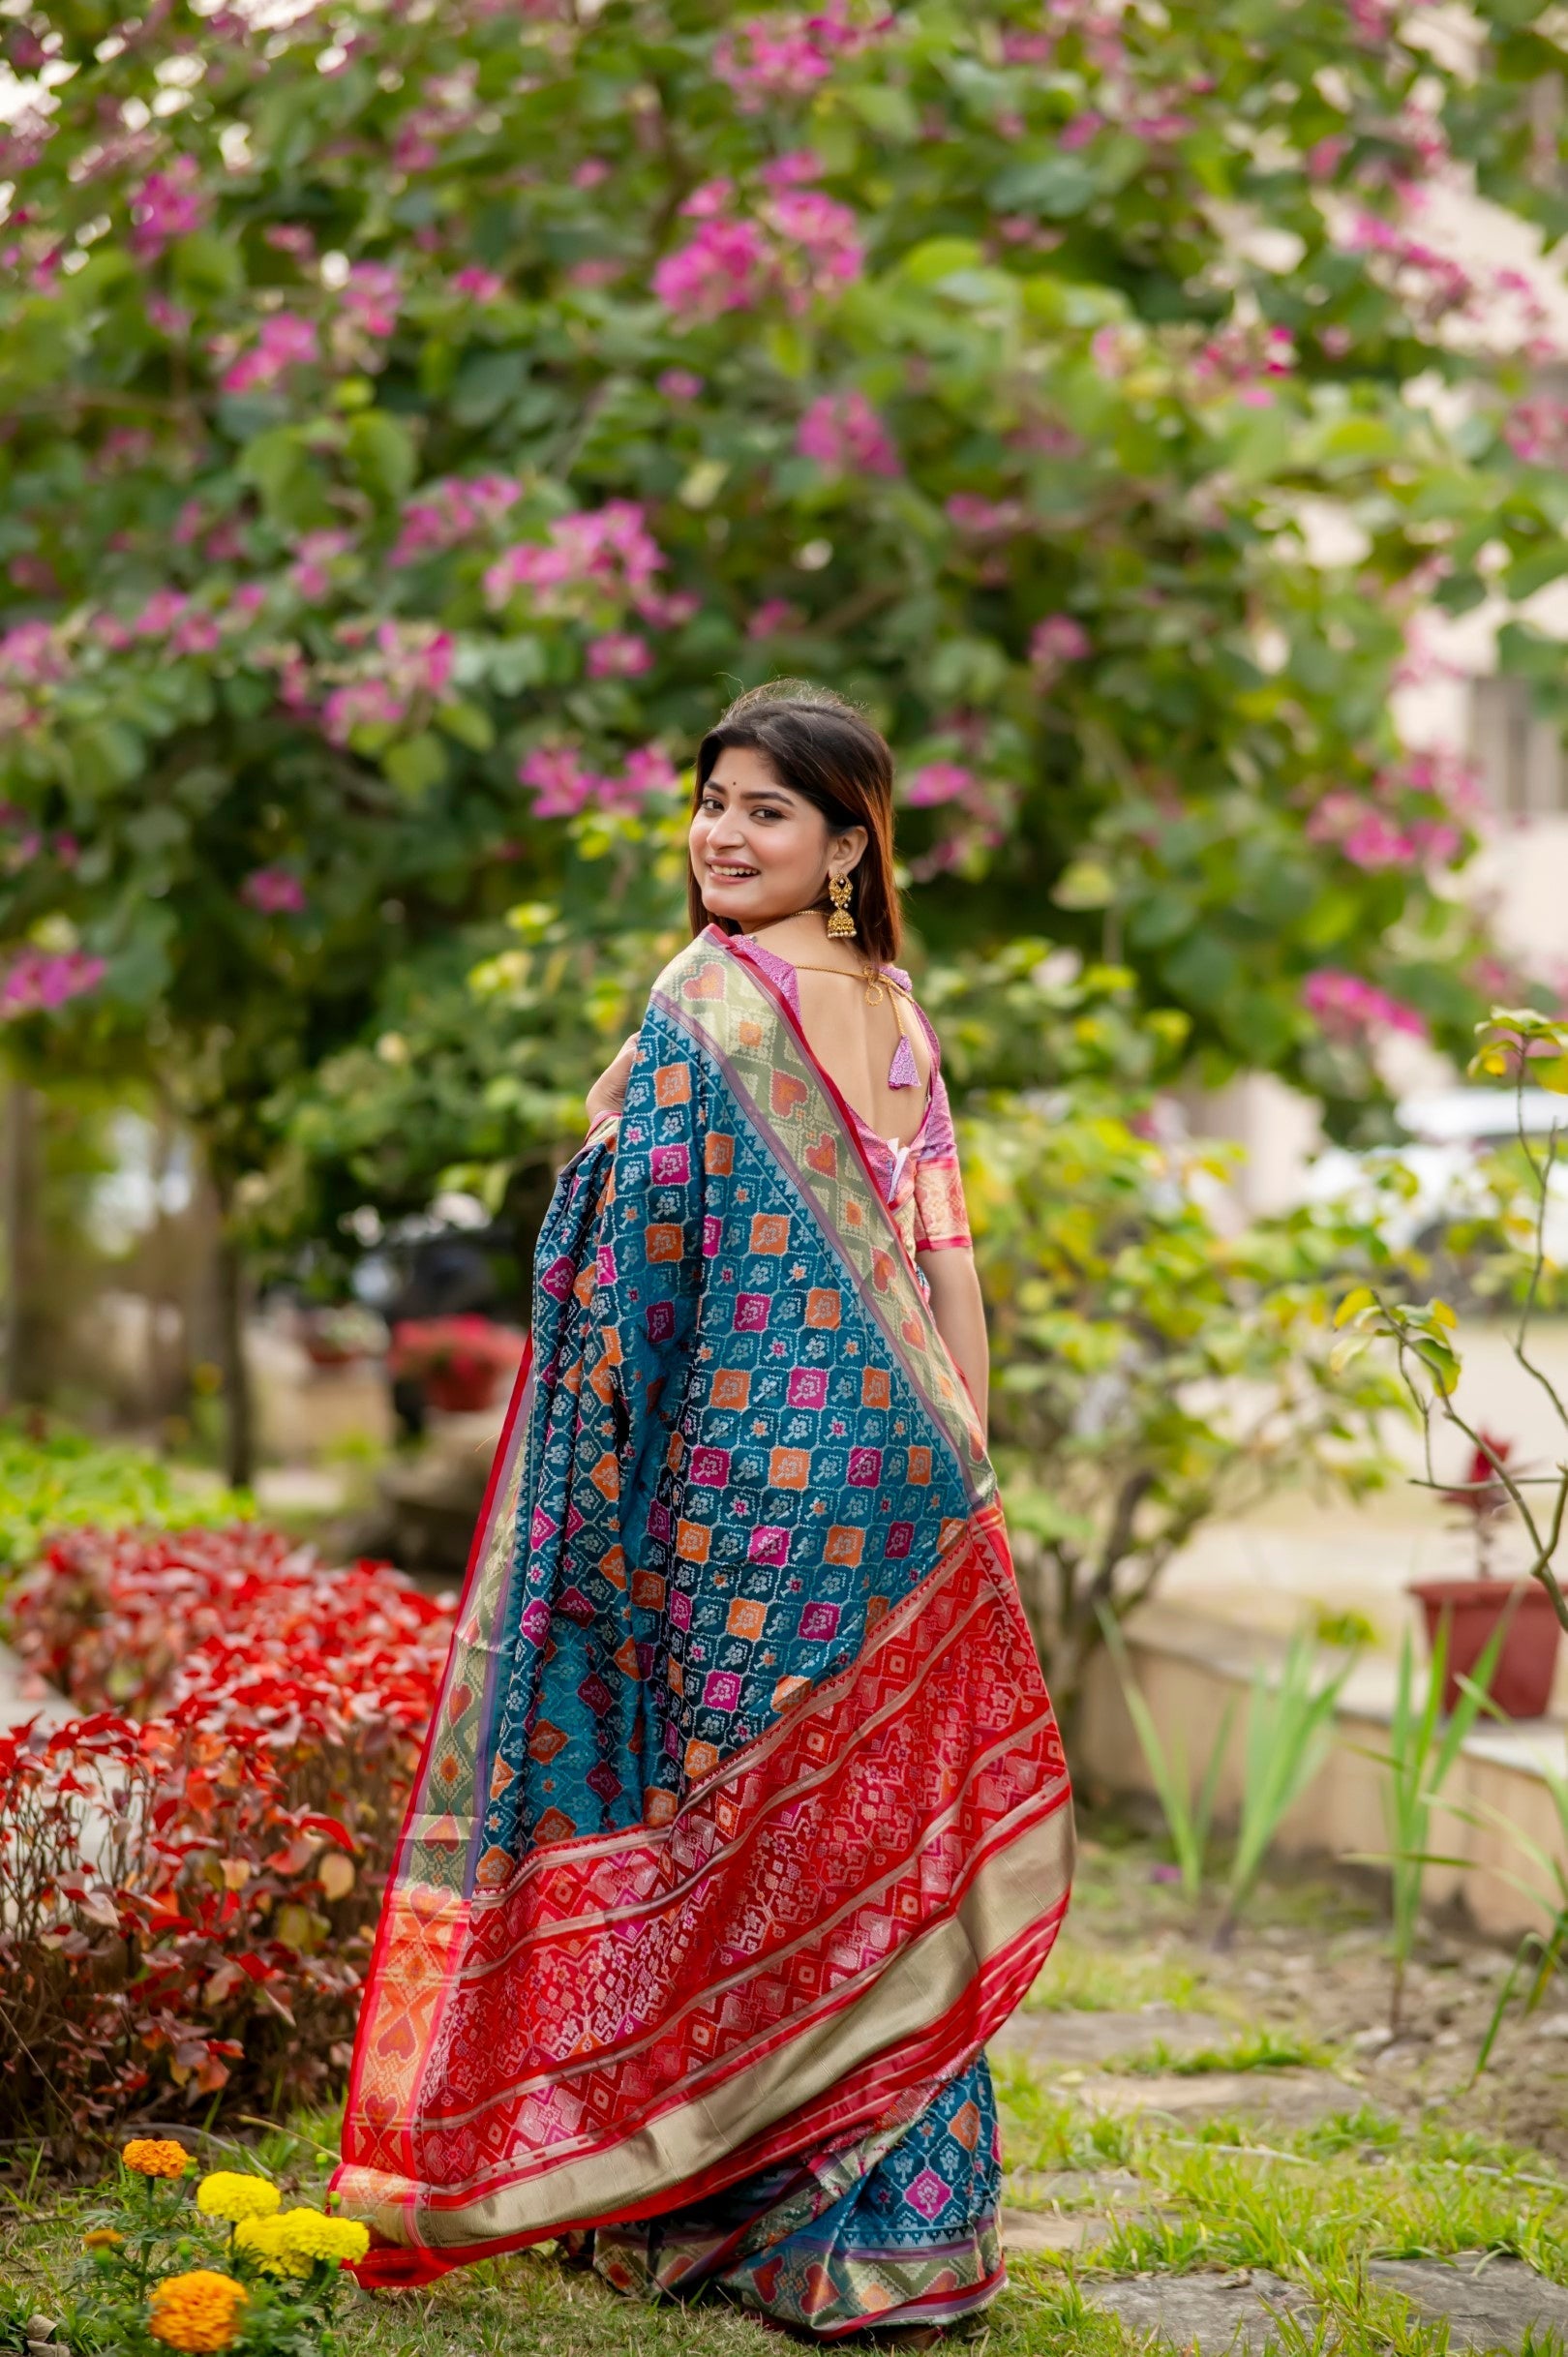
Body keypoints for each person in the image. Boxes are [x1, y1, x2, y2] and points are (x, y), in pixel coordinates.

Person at [336, 682, 1074, 2339]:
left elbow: (623, 1233)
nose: (722, 834)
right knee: (877, 1814)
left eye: (766, 812)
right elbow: (944, 1265)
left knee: (737, 1820)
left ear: (844, 845)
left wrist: (612, 1119)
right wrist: (974, 1460)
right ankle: (907, 2229)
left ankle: (740, 2201)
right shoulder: (893, 1007)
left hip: (749, 1486)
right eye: (713, 800)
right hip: (907, 1466)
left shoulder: (706, 997)